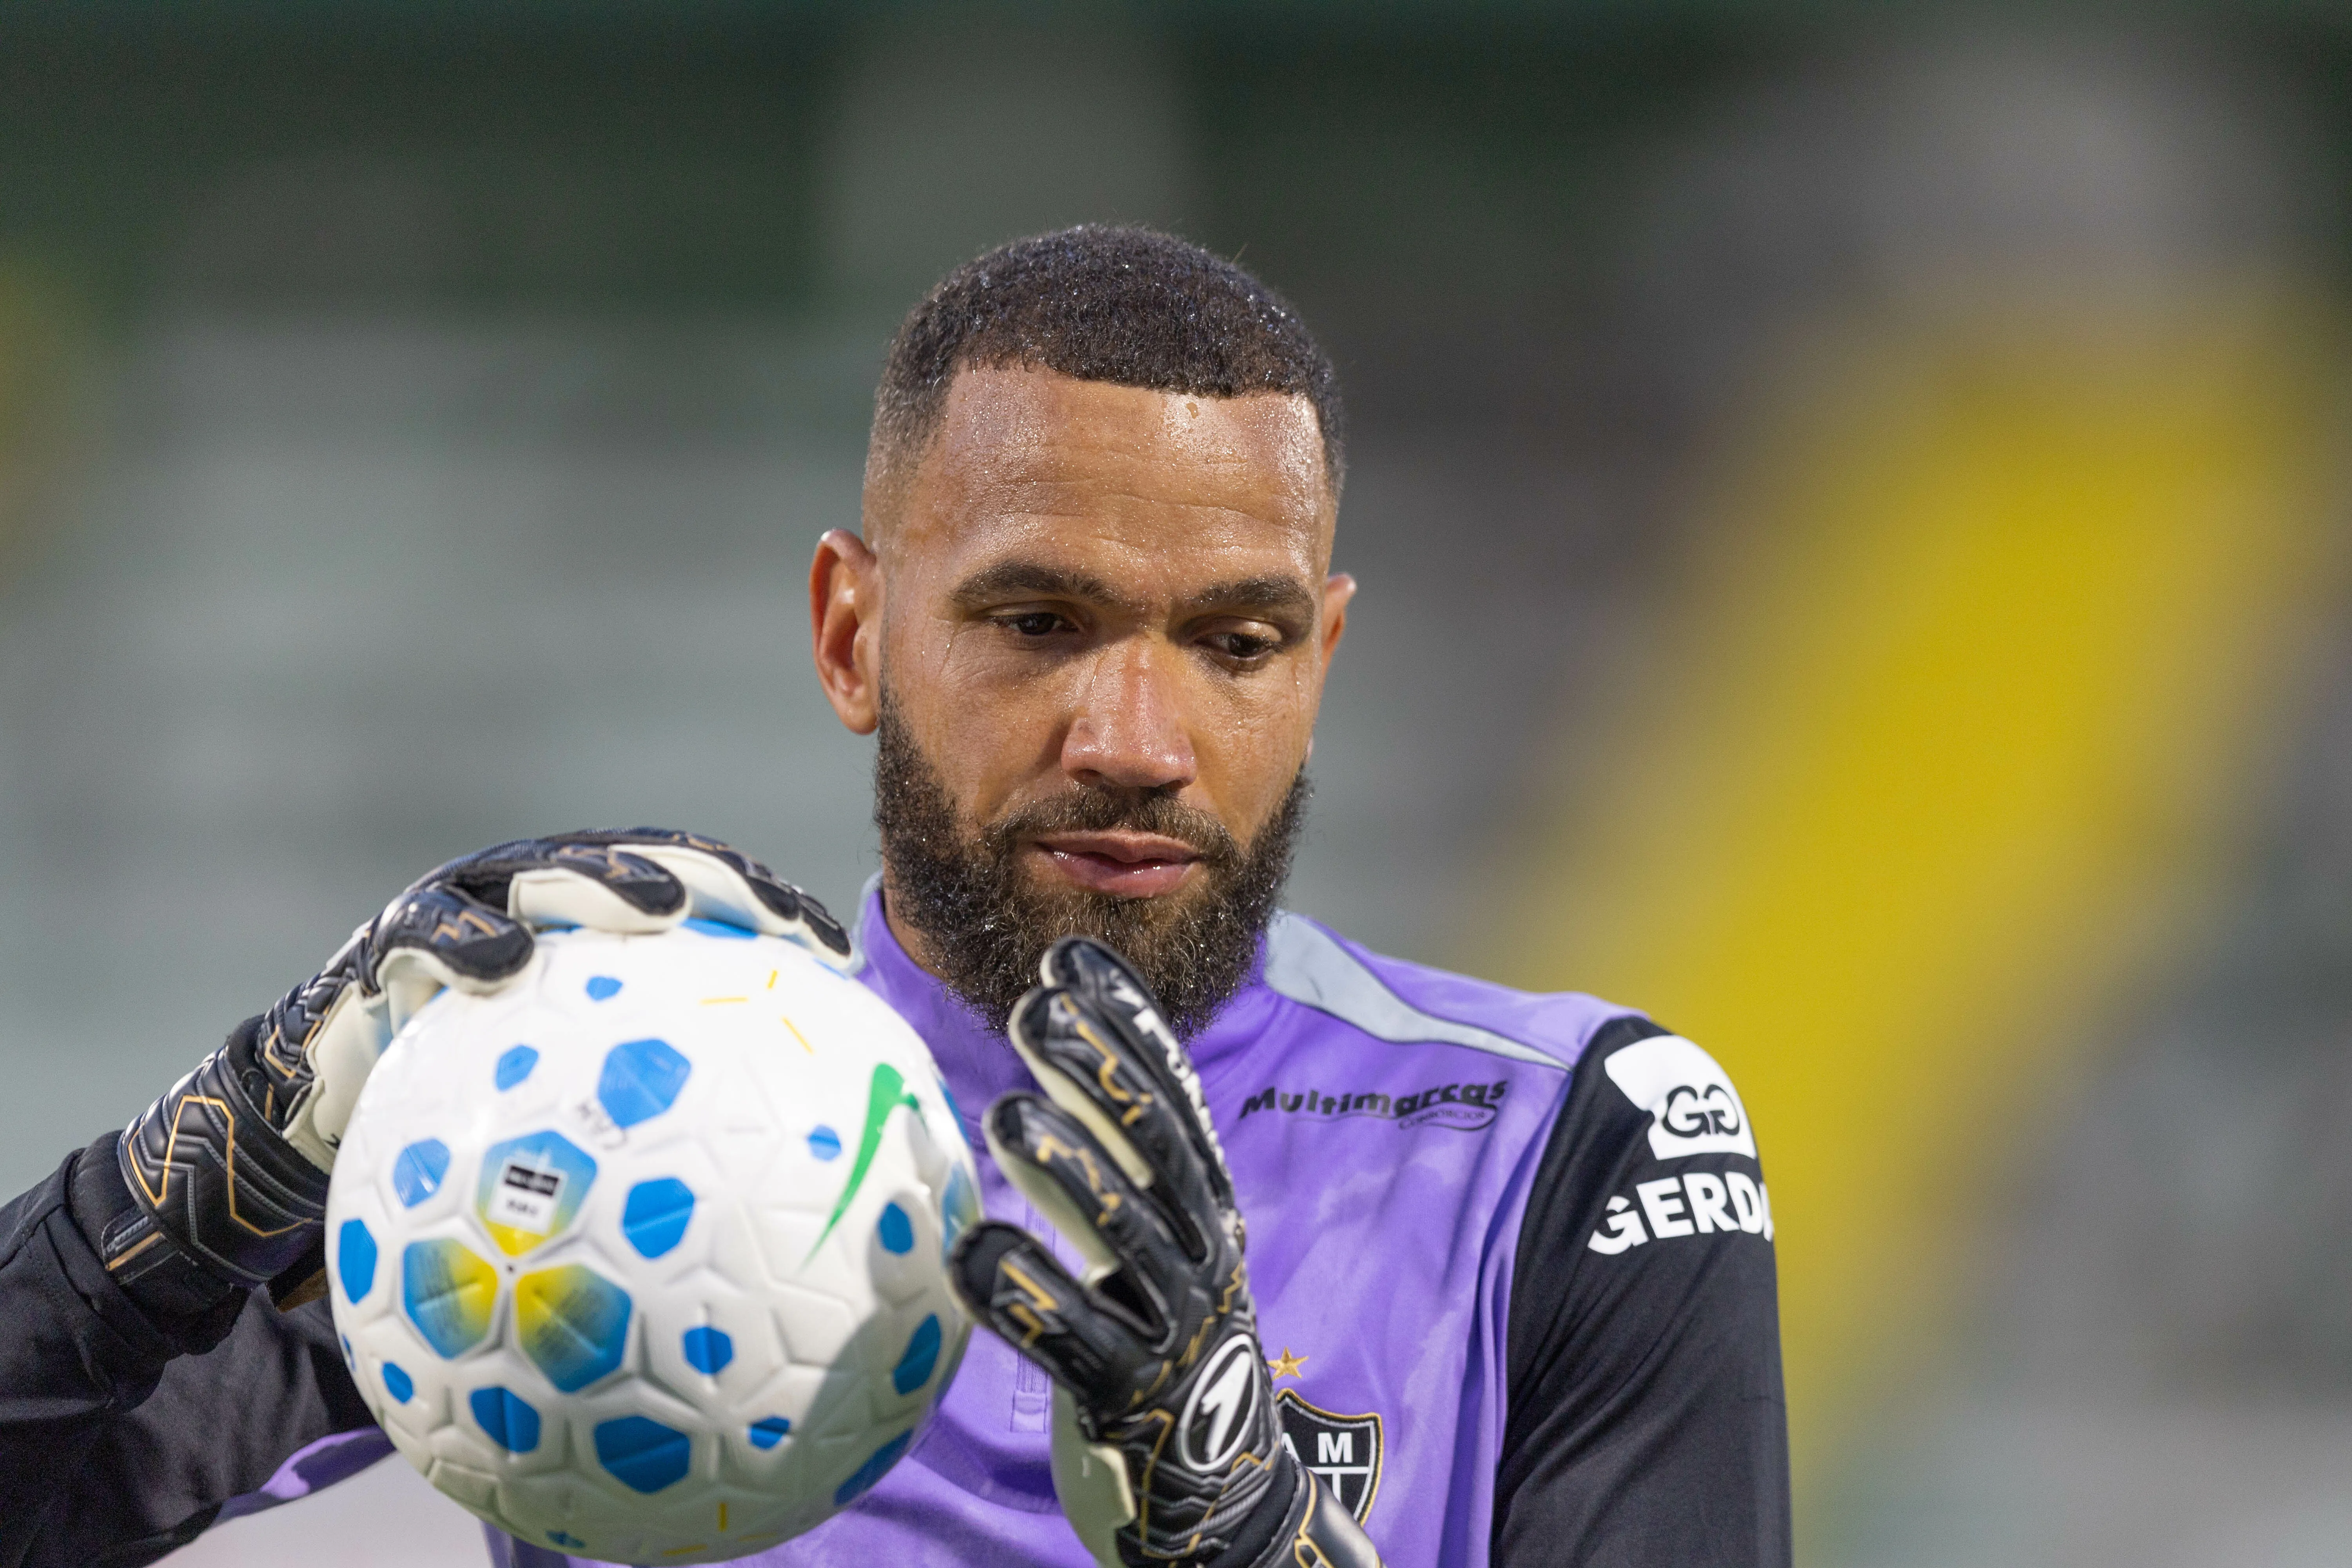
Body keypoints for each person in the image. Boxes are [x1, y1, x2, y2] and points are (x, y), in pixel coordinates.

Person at [0, 227, 1789, 1568]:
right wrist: (179, 1189)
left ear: (1320, 662)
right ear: (853, 632)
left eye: (1237, 644)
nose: (1137, 739)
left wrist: (1259, 1543)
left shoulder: (1569, 1139)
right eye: (1039, 623)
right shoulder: (598, 1120)